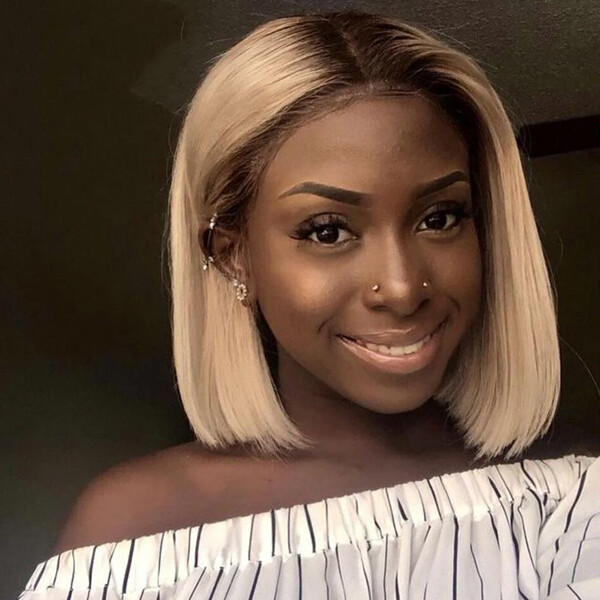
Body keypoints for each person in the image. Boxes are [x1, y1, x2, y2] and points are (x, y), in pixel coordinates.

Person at [19, 10, 599, 600]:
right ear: (234, 257)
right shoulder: (135, 539)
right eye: (327, 231)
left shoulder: (573, 501)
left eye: (439, 217)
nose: (402, 288)